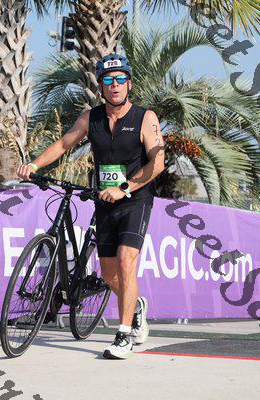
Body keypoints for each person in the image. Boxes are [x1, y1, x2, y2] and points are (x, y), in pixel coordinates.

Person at [16, 54, 165, 359]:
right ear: (100, 86)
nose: (115, 85)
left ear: (130, 84)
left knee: (126, 262)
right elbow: (63, 144)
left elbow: (158, 162)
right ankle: (136, 306)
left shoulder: (145, 118)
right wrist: (33, 165)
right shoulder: (90, 118)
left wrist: (124, 188)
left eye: (120, 79)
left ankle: (123, 335)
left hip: (135, 199)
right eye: (108, 80)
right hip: (104, 201)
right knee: (109, 276)